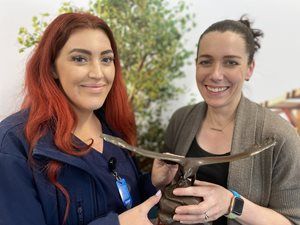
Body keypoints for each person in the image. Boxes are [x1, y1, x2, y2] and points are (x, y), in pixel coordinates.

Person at [0, 12, 177, 225]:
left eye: (106, 59)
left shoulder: (113, 128)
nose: (97, 73)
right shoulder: (14, 143)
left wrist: (153, 183)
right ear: (51, 67)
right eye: (80, 59)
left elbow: (124, 200)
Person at [163, 16, 300, 225]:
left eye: (231, 62)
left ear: (249, 69)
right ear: (196, 65)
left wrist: (232, 204)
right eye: (206, 61)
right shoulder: (181, 120)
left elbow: (292, 221)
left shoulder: (279, 137)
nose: (216, 74)